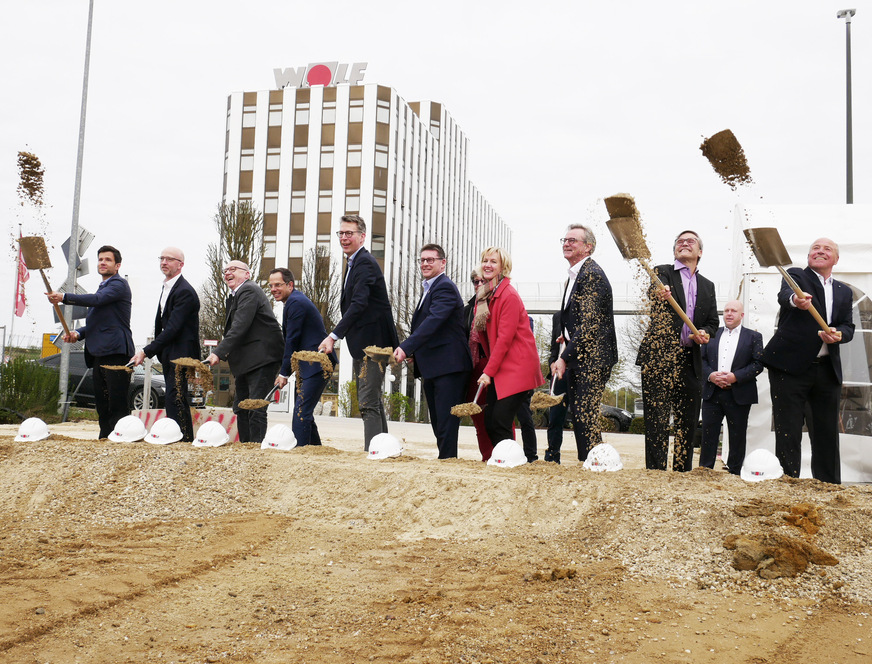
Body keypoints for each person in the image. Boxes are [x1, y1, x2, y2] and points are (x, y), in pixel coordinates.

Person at [762, 237, 854, 484]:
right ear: (809, 256)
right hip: (789, 368)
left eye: (827, 249)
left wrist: (839, 334)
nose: (820, 251)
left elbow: (848, 326)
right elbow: (785, 296)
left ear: (835, 259)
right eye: (815, 248)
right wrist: (796, 301)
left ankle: (828, 485)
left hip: (826, 370)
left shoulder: (844, 291)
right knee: (788, 429)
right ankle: (788, 482)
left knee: (826, 432)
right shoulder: (796, 277)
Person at [635, 230, 718, 472]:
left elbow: (712, 322)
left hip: (689, 360)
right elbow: (651, 294)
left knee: (688, 421)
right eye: (679, 241)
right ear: (674, 251)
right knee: (657, 419)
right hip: (659, 356)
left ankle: (682, 472)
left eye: (690, 241)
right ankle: (656, 472)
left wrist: (704, 333)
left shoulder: (708, 286)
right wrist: (659, 294)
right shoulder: (662, 272)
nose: (684, 243)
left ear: (699, 252)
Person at [319, 215, 399, 451]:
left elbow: (359, 304)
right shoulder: (353, 262)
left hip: (373, 346)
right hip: (365, 344)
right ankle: (383, 447)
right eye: (341, 233)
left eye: (349, 233)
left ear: (362, 236)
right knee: (371, 399)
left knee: (366, 400)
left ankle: (374, 450)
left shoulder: (364, 262)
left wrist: (334, 335)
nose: (344, 238)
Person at [47, 245, 134, 439]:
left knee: (116, 403)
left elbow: (96, 300)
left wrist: (64, 297)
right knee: (102, 403)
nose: (102, 262)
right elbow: (99, 323)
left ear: (117, 265)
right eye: (100, 259)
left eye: (108, 260)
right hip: (98, 353)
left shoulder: (118, 285)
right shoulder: (103, 288)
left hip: (116, 352)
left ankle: (121, 440)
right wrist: (78, 333)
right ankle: (104, 438)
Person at [393, 244, 471, 459]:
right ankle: (446, 459)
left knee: (446, 422)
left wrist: (406, 346)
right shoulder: (429, 288)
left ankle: (447, 461)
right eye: (422, 260)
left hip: (450, 366)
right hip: (434, 366)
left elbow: (433, 322)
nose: (425, 264)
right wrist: (413, 353)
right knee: (438, 421)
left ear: (442, 263)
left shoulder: (444, 287)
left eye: (431, 260)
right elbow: (429, 328)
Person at [550, 225, 618, 462]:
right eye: (564, 239)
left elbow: (590, 324)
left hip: (593, 358)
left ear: (588, 247)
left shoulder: (591, 274)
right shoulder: (577, 274)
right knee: (581, 414)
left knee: (585, 415)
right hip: (583, 355)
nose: (566, 244)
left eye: (573, 240)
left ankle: (595, 463)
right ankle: (591, 462)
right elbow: (580, 320)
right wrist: (567, 336)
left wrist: (564, 356)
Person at [471, 247, 544, 444]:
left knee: (500, 420)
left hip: (517, 367)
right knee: (490, 420)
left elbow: (504, 339)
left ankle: (508, 462)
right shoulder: (486, 296)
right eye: (485, 260)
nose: (487, 265)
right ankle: (502, 459)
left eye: (493, 261)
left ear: (504, 267)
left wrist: (488, 371)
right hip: (502, 367)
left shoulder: (508, 296)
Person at [206, 260, 283, 443]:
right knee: (241, 407)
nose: (227, 273)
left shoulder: (249, 290)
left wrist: (218, 352)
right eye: (225, 270)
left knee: (255, 406)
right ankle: (245, 446)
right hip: (246, 361)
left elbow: (240, 326)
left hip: (262, 358)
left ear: (247, 274)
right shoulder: (235, 296)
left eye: (233, 269)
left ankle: (255, 449)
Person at [131, 247, 200, 442]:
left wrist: (146, 351)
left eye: (170, 259)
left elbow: (173, 328)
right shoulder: (167, 287)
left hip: (182, 355)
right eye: (161, 258)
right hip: (170, 353)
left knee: (175, 397)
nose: (164, 262)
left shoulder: (185, 291)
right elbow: (162, 324)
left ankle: (183, 439)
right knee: (174, 398)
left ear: (180, 264)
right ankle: (180, 437)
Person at [268, 267, 337, 447]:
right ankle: (314, 449)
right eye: (270, 285)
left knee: (300, 411)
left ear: (290, 285)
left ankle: (300, 451)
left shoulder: (296, 303)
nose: (273, 289)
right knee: (303, 410)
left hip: (317, 365)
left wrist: (283, 373)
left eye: (278, 285)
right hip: (308, 365)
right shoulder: (292, 302)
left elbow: (292, 340)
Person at [698, 300, 763, 474]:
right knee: (708, 435)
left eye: (733, 311)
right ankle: (704, 471)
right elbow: (701, 361)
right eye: (726, 310)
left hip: (739, 393)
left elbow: (758, 364)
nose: (729, 313)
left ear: (742, 315)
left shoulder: (754, 337)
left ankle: (734, 472)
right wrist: (711, 375)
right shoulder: (712, 334)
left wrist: (736, 377)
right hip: (713, 393)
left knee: (737, 435)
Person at [463, 269, 496, 461]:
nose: (478, 285)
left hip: (493, 364)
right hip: (474, 366)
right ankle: (486, 456)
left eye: (483, 281)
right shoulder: (468, 309)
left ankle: (502, 455)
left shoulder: (497, 303)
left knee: (498, 417)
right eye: (475, 281)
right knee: (478, 417)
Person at [544, 310, 569, 463]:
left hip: (576, 371)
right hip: (558, 376)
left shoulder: (583, 312)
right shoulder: (557, 317)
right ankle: (552, 456)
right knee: (555, 418)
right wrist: (552, 362)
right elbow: (554, 348)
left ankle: (587, 457)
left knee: (580, 417)